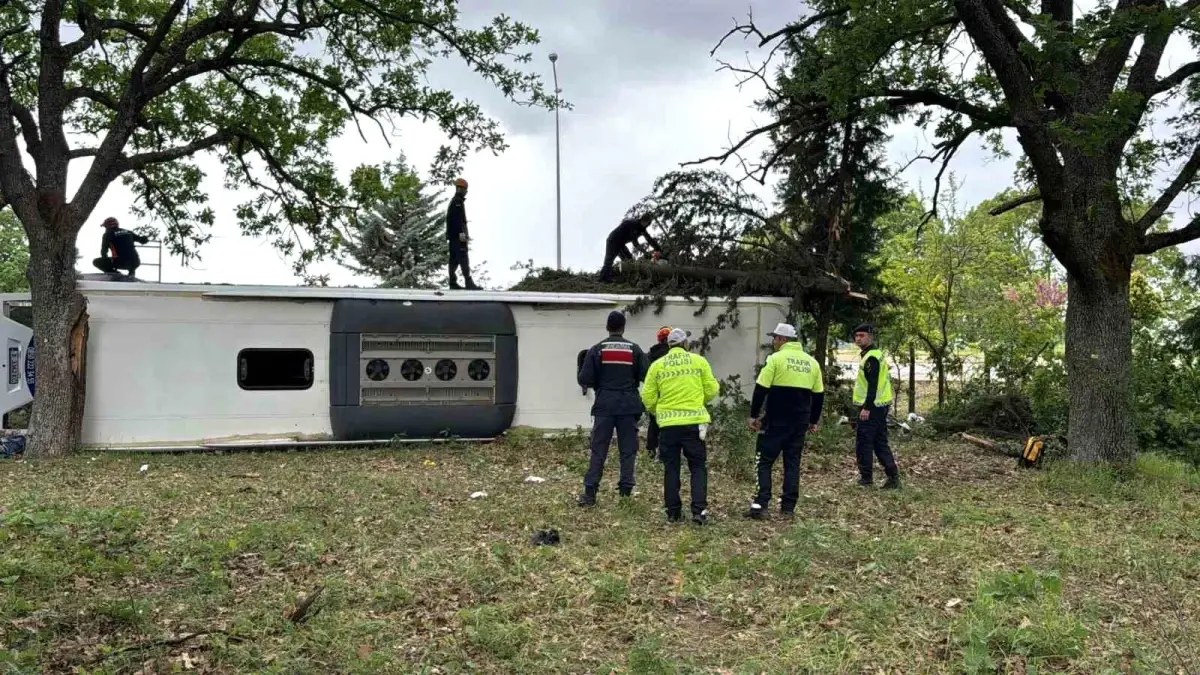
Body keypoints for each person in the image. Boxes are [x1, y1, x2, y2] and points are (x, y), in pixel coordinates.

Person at [745, 323, 824, 520]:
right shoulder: (812, 363)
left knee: (763, 462)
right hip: (799, 422)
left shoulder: (775, 359)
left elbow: (761, 389)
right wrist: (813, 420)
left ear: (783, 340)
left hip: (775, 421)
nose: (773, 342)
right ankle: (788, 507)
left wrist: (754, 416)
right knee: (792, 463)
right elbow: (819, 395)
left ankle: (760, 505)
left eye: (775, 338)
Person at [640, 328, 719, 525]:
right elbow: (712, 389)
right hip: (694, 425)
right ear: (685, 344)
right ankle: (699, 511)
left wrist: (659, 411)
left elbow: (647, 397)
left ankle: (673, 512)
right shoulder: (699, 362)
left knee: (671, 468)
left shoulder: (657, 365)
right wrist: (699, 400)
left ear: (668, 345)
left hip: (668, 426)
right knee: (698, 467)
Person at [577, 310, 649, 506]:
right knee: (628, 450)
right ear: (624, 327)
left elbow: (584, 378)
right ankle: (625, 492)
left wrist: (599, 384)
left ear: (607, 327)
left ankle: (590, 493)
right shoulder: (634, 350)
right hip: (628, 406)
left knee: (599, 449)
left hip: (605, 406)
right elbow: (647, 376)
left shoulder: (597, 349)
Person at [852, 323, 901, 489]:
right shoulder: (875, 354)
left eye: (862, 336)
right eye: (857, 336)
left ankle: (866, 478)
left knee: (864, 442)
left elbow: (872, 385)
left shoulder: (871, 357)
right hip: (881, 404)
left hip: (872, 407)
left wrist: (867, 407)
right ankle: (893, 476)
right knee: (880, 441)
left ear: (871, 337)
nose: (858, 339)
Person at [599, 213, 663, 282]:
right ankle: (604, 278)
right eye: (648, 223)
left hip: (621, 243)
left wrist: (657, 249)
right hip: (613, 240)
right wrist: (645, 252)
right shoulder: (632, 224)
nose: (648, 225)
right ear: (644, 221)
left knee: (629, 259)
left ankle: (626, 277)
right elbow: (634, 242)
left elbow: (649, 239)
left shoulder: (641, 229)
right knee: (609, 259)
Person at [643, 326, 673, 460]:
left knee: (654, 423)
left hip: (656, 394)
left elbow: (645, 375)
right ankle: (666, 451)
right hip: (671, 392)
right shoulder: (674, 355)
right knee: (670, 423)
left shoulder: (650, 354)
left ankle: (651, 449)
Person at [445, 178, 480, 290]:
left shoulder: (455, 201)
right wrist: (461, 233)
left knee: (454, 260)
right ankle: (468, 282)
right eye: (465, 189)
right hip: (458, 237)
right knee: (463, 258)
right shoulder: (457, 201)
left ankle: (452, 282)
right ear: (460, 188)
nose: (466, 192)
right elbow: (457, 219)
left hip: (453, 237)